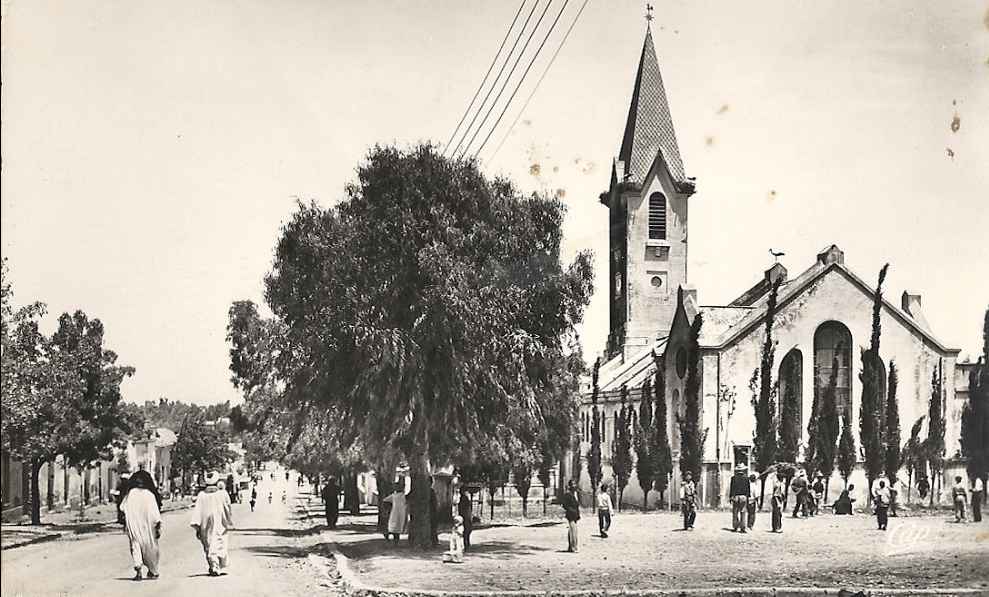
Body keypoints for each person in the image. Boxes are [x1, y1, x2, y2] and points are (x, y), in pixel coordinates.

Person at [121, 471, 163, 581]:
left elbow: (122, 508)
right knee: (150, 548)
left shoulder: (130, 494)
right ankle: (153, 571)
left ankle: (138, 569)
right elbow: (155, 514)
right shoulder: (150, 495)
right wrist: (158, 526)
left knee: (135, 545)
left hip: (134, 525)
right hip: (148, 527)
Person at [191, 471, 234, 577]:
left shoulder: (201, 495)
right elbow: (228, 507)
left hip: (206, 525)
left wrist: (197, 527)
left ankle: (213, 565)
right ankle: (216, 566)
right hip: (220, 523)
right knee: (219, 542)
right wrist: (228, 519)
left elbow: (197, 512)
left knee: (209, 544)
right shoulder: (223, 494)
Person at [729, 465, 750, 533]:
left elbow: (732, 488)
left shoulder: (733, 478)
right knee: (743, 512)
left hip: (736, 496)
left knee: (735, 512)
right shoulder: (746, 478)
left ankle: (735, 527)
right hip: (743, 496)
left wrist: (731, 496)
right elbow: (748, 489)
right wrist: (747, 497)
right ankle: (743, 528)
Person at [561, 480, 580, 553]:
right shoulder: (567, 495)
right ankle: (573, 547)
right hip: (571, 515)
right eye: (573, 484)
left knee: (572, 530)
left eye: (575, 484)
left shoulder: (575, 494)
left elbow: (577, 505)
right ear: (570, 486)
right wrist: (571, 510)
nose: (574, 486)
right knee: (573, 531)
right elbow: (565, 505)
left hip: (575, 515)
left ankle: (570, 546)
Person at [457, 485, 474, 550]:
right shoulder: (464, 498)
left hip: (464, 516)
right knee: (467, 530)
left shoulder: (463, 498)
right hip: (465, 516)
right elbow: (466, 508)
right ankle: (466, 543)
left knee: (467, 530)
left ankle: (466, 543)